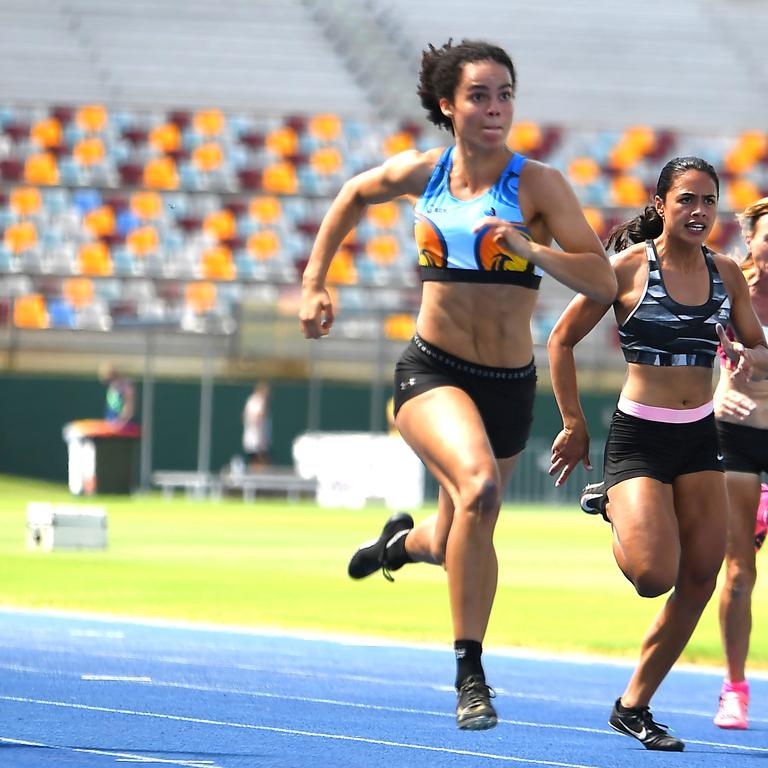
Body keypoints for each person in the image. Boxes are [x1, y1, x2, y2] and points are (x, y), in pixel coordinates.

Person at [299, 39, 616, 730]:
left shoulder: (539, 186)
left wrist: (531, 248)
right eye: (480, 95)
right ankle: (470, 673)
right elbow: (354, 194)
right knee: (479, 490)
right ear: (448, 105)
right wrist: (315, 283)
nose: (496, 107)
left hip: (508, 383)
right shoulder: (427, 173)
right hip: (430, 371)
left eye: (505, 93)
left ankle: (398, 547)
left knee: (455, 538)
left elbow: (603, 279)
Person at [547, 157, 768, 751]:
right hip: (639, 436)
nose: (699, 212)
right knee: (653, 575)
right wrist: (573, 422)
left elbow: (753, 339)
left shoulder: (727, 273)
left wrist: (747, 356)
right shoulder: (624, 268)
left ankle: (634, 706)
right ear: (661, 203)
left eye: (708, 202)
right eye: (687, 200)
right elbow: (561, 339)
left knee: (700, 576)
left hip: (701, 437)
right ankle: (614, 503)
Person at [713, 196, 768, 729]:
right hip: (739, 438)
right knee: (738, 575)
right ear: (750, 239)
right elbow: (685, 360)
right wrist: (712, 400)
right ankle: (734, 687)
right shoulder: (726, 293)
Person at [242, 382, 271, 469]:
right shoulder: (258, 402)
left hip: (257, 441)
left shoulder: (252, 401)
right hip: (257, 441)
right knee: (259, 464)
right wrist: (260, 441)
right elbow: (257, 418)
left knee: (260, 463)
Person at [98, 362, 135, 429]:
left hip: (121, 426)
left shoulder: (125, 387)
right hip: (110, 424)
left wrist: (121, 423)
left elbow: (128, 410)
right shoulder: (112, 387)